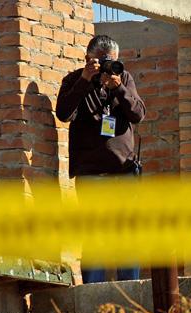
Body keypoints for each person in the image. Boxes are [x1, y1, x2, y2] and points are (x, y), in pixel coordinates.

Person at [56, 35, 146, 284]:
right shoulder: (74, 80)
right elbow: (64, 113)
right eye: (102, 62)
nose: (108, 67)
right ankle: (93, 291)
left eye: (113, 62)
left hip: (123, 171)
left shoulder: (124, 79)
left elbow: (138, 114)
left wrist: (118, 86)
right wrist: (85, 80)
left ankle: (130, 290)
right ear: (88, 59)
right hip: (91, 173)